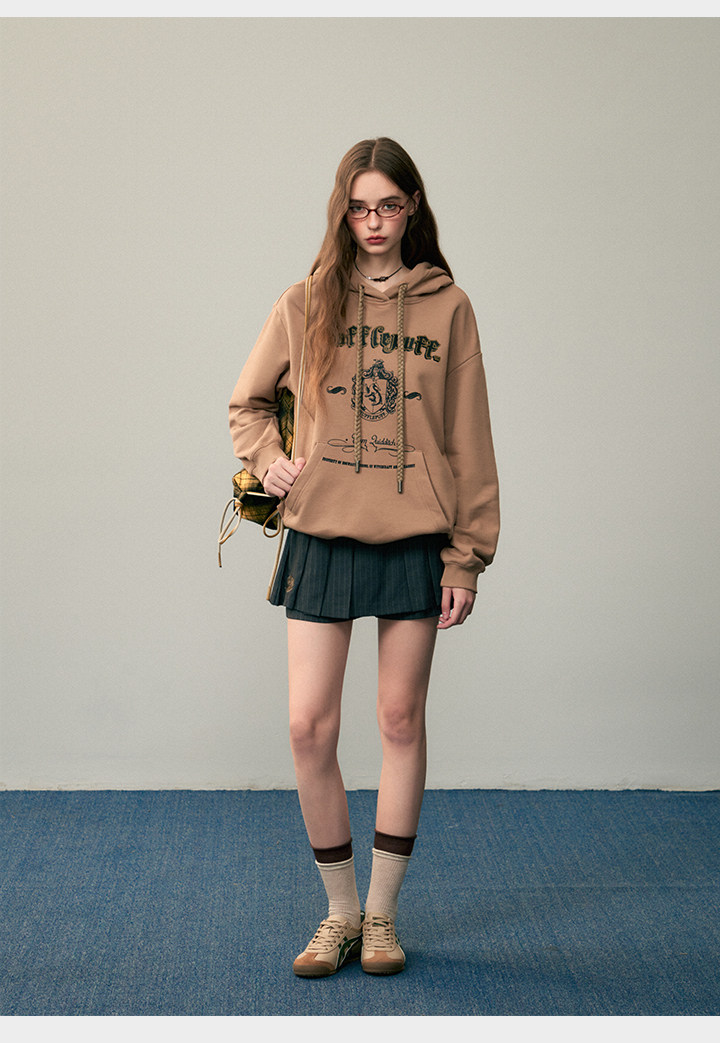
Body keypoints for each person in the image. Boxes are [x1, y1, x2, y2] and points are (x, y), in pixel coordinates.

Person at [228, 137, 500, 977]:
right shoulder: (306, 300)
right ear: (341, 213)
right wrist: (271, 458)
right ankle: (340, 912)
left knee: (399, 720)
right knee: (309, 726)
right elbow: (247, 404)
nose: (374, 222)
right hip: (323, 530)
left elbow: (469, 440)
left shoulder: (449, 308)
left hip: (416, 535)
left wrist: (467, 557)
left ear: (412, 208)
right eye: (358, 207)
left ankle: (381, 916)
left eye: (388, 205)